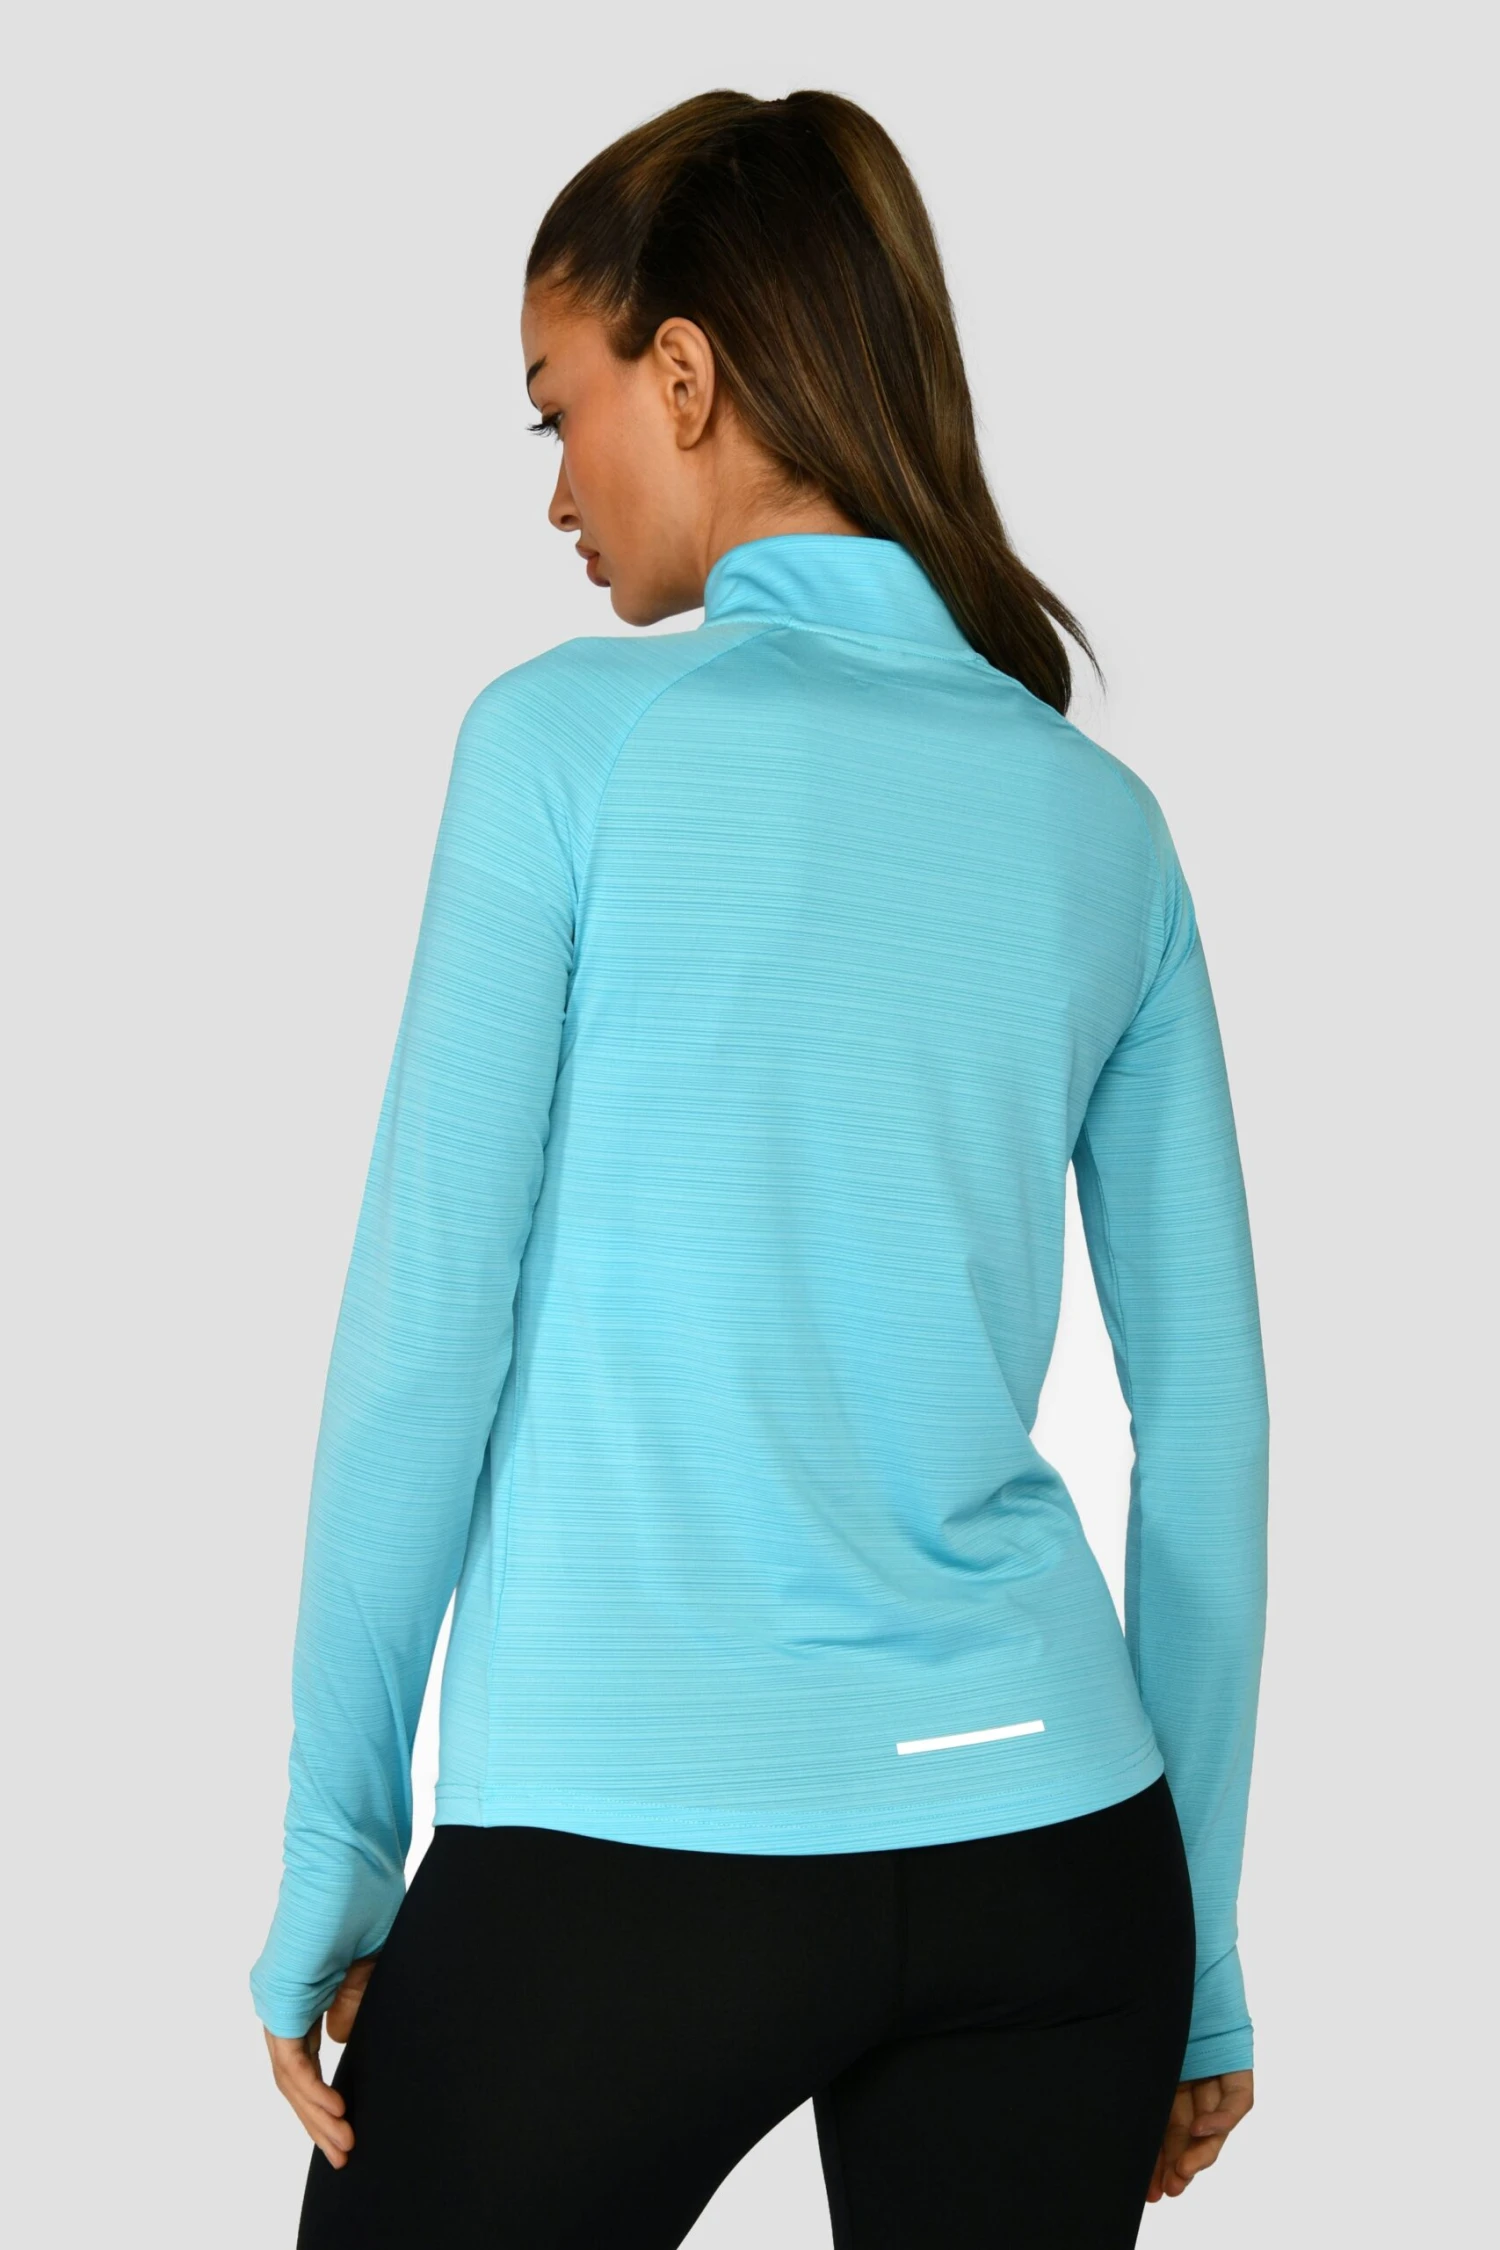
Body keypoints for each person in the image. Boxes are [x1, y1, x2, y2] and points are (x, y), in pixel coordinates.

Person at [251, 87, 1269, 2249]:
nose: (556, 491)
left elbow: (426, 1333)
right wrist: (1200, 1948)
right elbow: (1210, 1430)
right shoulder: (1103, 826)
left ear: (689, 373)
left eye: (562, 410)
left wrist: (340, 1838)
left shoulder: (563, 748)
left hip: (623, 1855)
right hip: (1051, 1855)